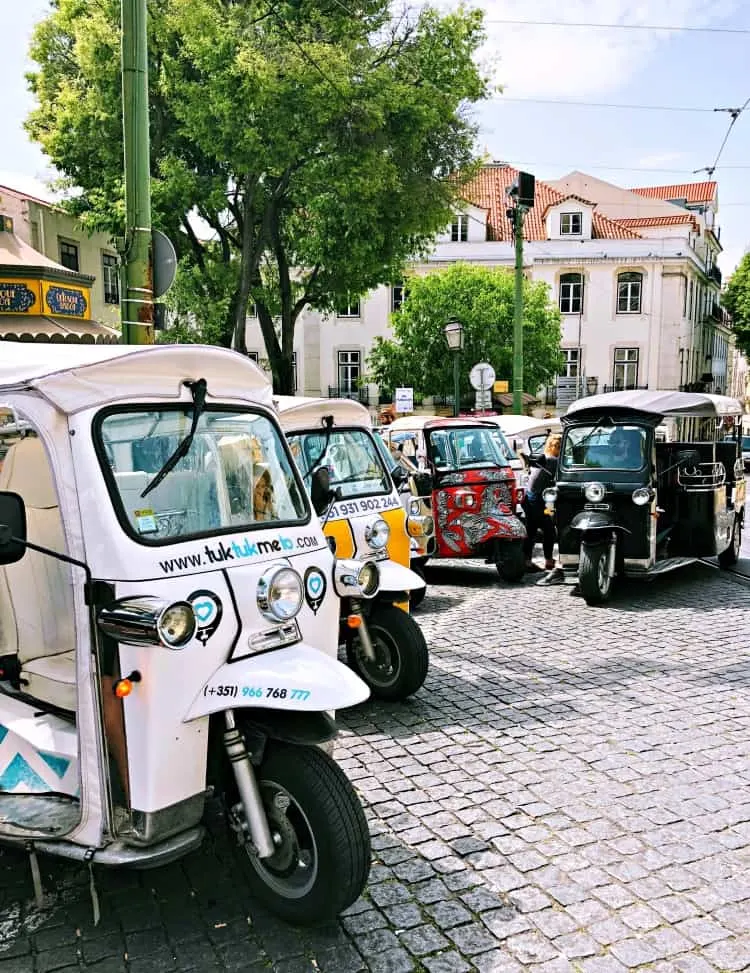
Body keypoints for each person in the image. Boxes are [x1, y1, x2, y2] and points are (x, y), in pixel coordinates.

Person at [523, 434, 566, 585]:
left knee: (531, 530)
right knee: (549, 529)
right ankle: (548, 560)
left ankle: (527, 561)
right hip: (540, 500)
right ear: (558, 448)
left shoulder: (543, 458)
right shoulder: (553, 461)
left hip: (530, 498)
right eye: (561, 447)